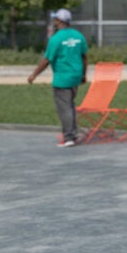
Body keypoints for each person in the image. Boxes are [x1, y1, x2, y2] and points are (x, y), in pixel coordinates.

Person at [28, 8, 88, 148]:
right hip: (75, 76)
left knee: (64, 108)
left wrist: (34, 74)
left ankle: (69, 137)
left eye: (55, 19)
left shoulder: (56, 39)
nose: (54, 21)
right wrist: (84, 75)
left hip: (63, 78)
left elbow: (46, 60)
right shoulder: (79, 36)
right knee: (70, 105)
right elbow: (84, 57)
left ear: (60, 21)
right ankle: (73, 133)